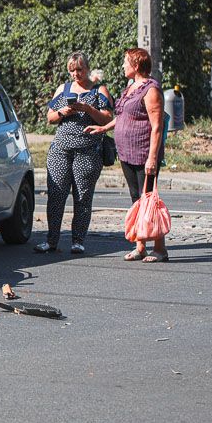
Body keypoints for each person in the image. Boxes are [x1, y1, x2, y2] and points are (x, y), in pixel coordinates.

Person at [85, 47, 167, 262]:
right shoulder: (131, 87)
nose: (123, 66)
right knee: (136, 199)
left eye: (126, 62)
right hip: (127, 153)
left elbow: (157, 126)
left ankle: (160, 248)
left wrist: (152, 157)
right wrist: (104, 128)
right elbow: (122, 116)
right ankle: (140, 246)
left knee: (148, 200)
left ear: (136, 65)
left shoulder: (151, 90)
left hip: (144, 153)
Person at [34, 52, 113, 255]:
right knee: (56, 195)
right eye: (72, 70)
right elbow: (50, 118)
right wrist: (63, 112)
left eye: (79, 69)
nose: (76, 74)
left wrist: (87, 109)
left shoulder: (98, 91)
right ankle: (51, 240)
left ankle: (78, 241)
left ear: (87, 68)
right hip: (60, 150)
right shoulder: (63, 89)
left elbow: (107, 119)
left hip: (88, 151)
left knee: (83, 196)